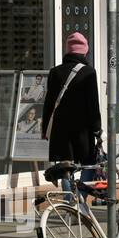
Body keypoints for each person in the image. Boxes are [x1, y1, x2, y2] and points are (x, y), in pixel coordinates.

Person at [41, 32, 103, 202]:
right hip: (83, 130)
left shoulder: (55, 72)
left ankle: (70, 201)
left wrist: (45, 128)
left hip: (61, 129)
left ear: (68, 51)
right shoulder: (89, 72)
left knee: (65, 167)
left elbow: (49, 102)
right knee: (88, 164)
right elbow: (93, 104)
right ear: (84, 51)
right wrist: (97, 128)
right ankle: (80, 200)